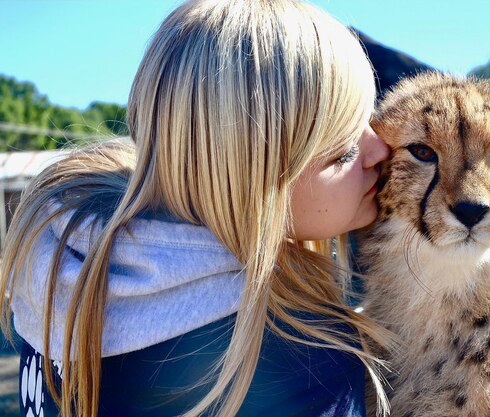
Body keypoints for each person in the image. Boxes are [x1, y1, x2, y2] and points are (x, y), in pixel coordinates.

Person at [0, 0, 393, 416]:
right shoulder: (307, 363)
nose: (380, 149)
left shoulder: (59, 275)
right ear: (251, 173)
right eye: (345, 149)